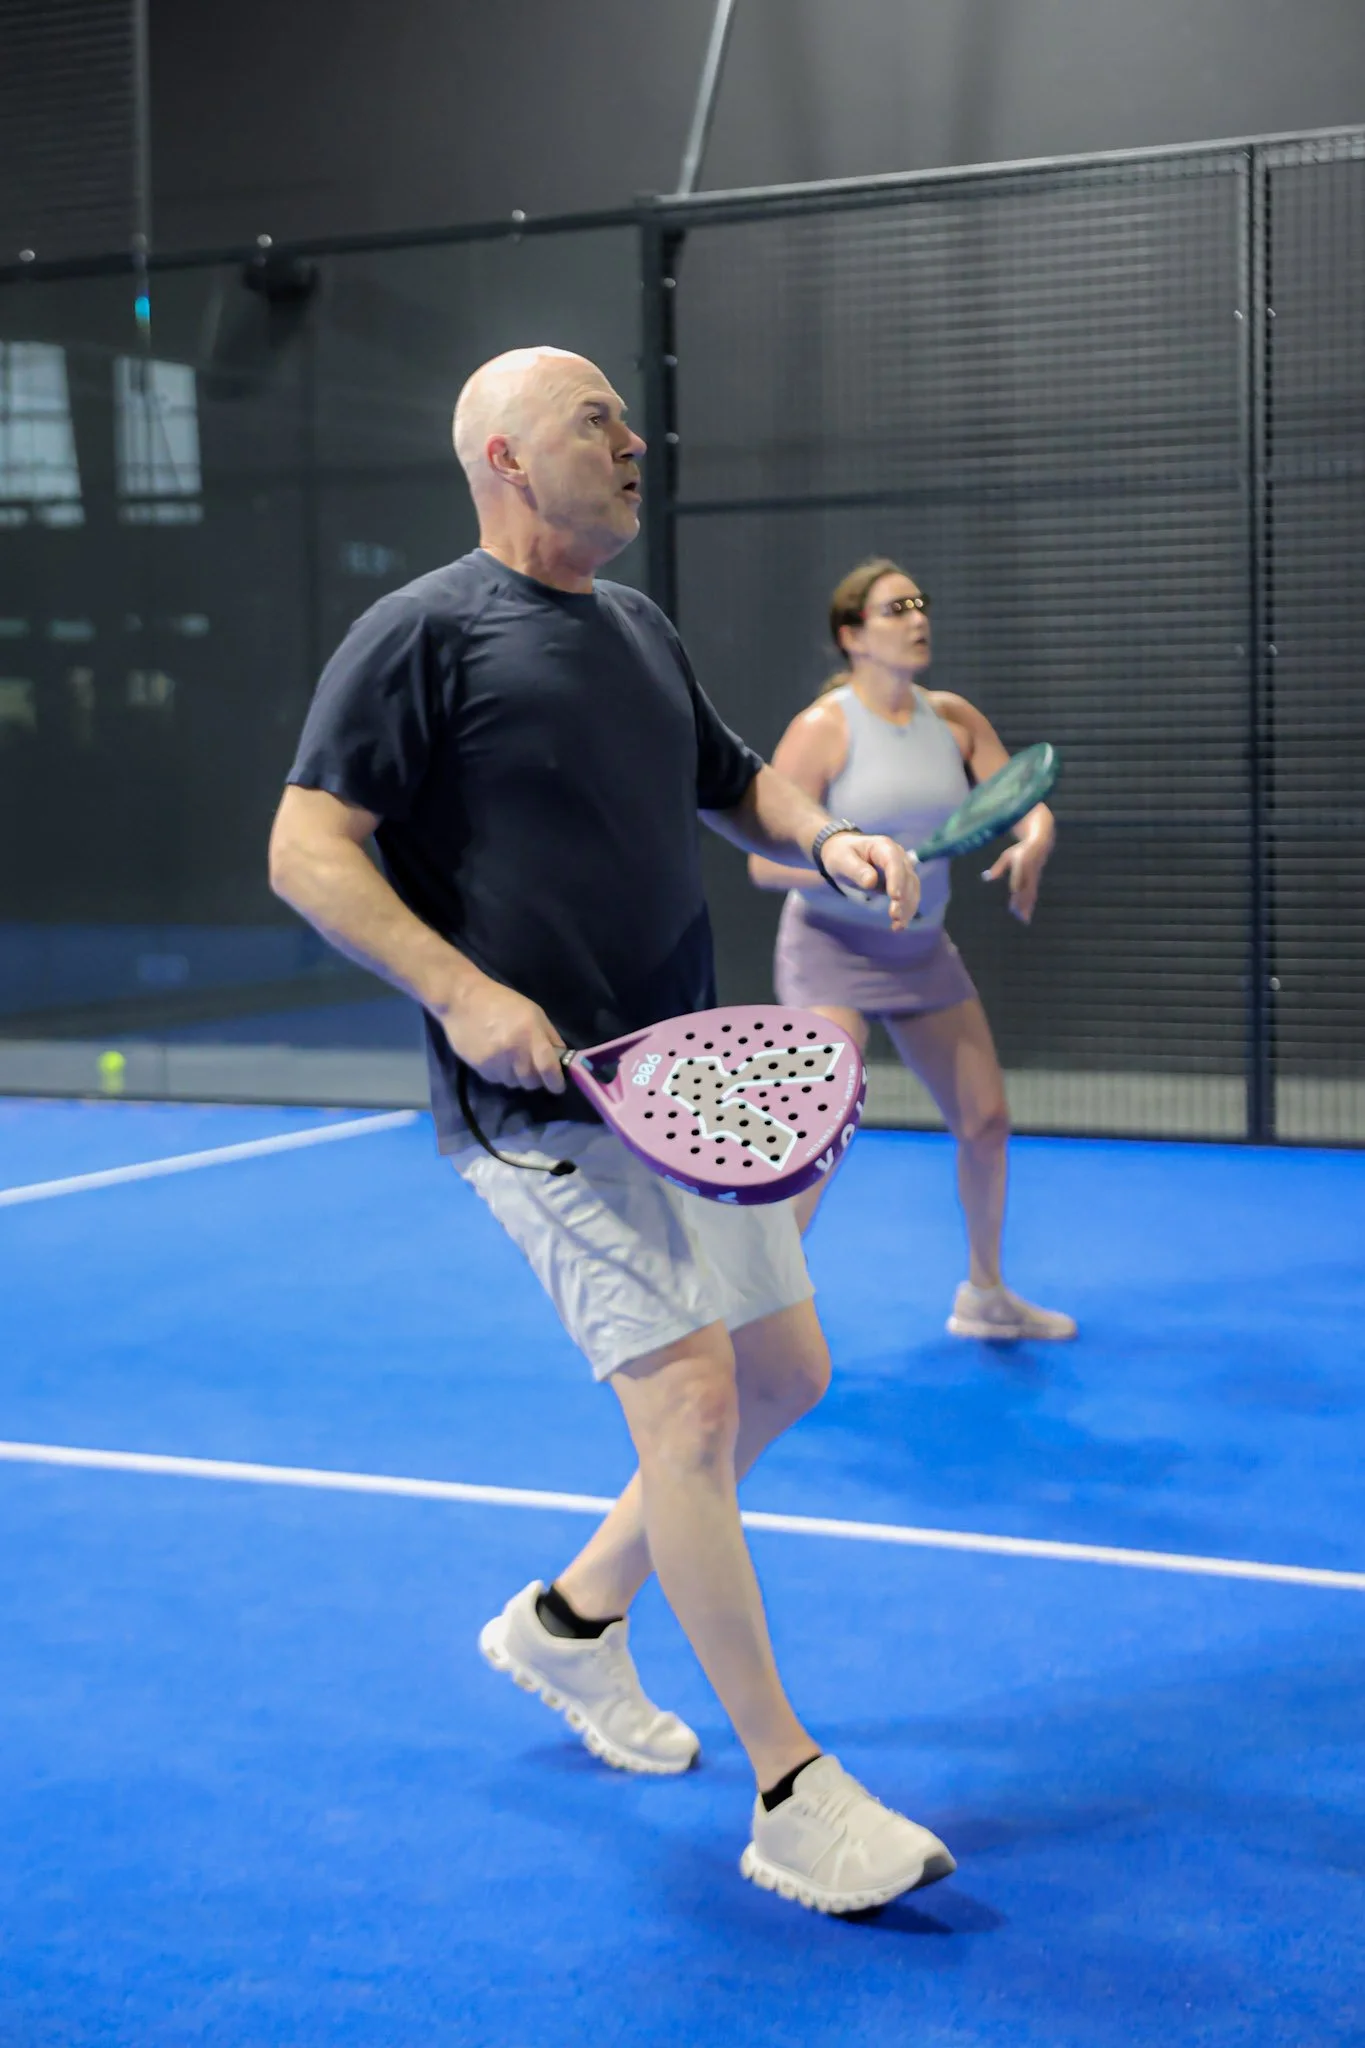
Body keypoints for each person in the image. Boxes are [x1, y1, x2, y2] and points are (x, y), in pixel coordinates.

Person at [268, 349, 956, 1914]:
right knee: (698, 1404)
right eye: (595, 420)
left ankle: (570, 1625)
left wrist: (829, 833)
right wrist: (453, 989)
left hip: (687, 1084)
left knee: (787, 1371)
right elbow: (307, 850)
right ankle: (793, 1791)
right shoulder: (420, 634)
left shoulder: (635, 627)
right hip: (541, 1105)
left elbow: (738, 786)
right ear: (506, 455)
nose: (631, 439)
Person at [749, 557, 1075, 1342]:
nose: (917, 619)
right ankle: (755, 1315)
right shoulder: (820, 728)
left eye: (920, 605)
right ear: (851, 636)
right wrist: (857, 869)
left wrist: (1035, 839)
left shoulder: (954, 719)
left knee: (986, 1120)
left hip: (921, 947)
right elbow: (761, 862)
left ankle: (985, 1295)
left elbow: (1020, 801)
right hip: (828, 943)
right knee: (816, 1130)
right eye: (895, 610)